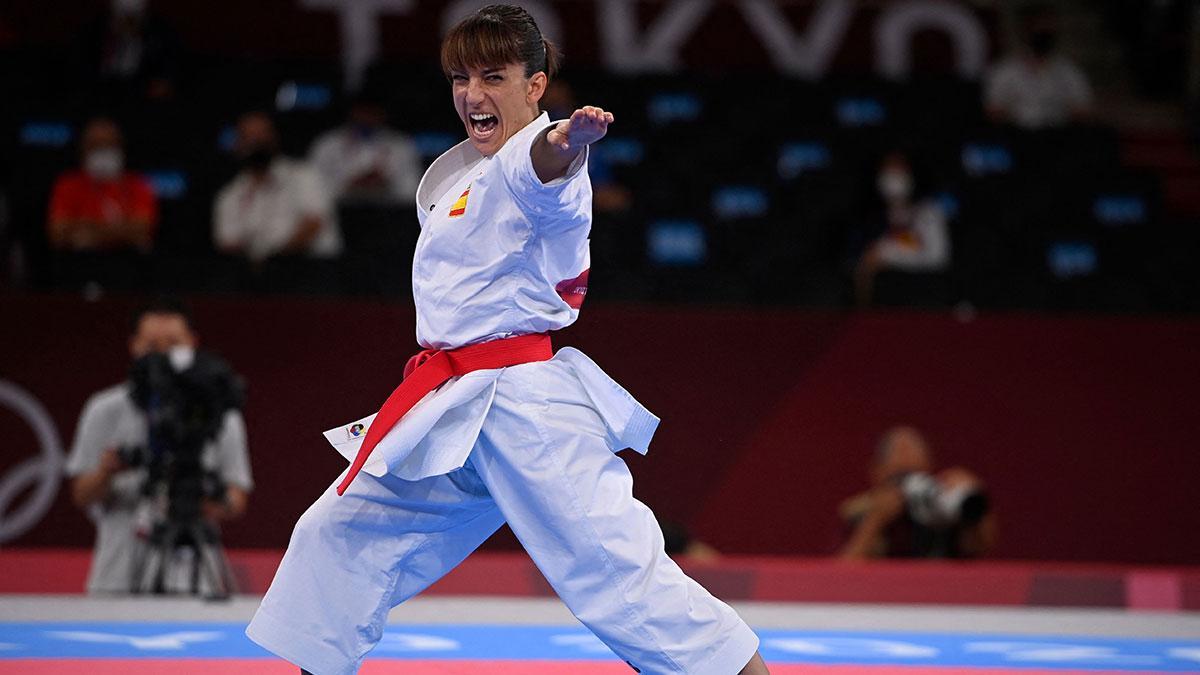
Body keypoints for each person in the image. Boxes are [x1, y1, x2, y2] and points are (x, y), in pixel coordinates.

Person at [246, 6, 768, 675]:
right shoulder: (465, 173)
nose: (472, 92)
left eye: (494, 75)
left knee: (619, 575)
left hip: (525, 407)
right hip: (452, 403)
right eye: (462, 77)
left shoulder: (538, 160)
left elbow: (543, 166)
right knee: (335, 533)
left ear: (535, 86)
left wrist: (568, 142)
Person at [64, 296, 252, 593]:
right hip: (118, 576)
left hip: (195, 580)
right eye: (152, 346)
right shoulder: (104, 409)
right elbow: (81, 495)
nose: (162, 356)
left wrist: (191, 496)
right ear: (134, 345)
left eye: (174, 344)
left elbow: (236, 500)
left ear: (192, 342)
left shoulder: (218, 412)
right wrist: (107, 471)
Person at [838, 426, 996, 560]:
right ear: (877, 473)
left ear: (929, 469)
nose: (908, 486)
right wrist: (874, 522)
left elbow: (981, 547)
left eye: (916, 475)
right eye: (900, 478)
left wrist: (971, 500)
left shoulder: (942, 506)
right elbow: (840, 575)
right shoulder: (858, 512)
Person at [213, 111, 342, 262]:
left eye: (262, 134)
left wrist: (275, 259)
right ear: (237, 143)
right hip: (254, 275)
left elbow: (314, 224)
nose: (256, 142)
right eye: (249, 135)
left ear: (274, 138)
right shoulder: (230, 194)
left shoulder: (304, 175)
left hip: (312, 269)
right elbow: (228, 243)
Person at [47, 117, 158, 252]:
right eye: (96, 145)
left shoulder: (138, 184)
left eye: (109, 144)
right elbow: (58, 233)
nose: (103, 150)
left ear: (120, 147)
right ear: (83, 149)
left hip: (129, 265)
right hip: (81, 265)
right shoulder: (68, 185)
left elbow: (143, 229)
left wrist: (87, 232)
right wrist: (123, 232)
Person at [853, 151, 950, 306]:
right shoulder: (871, 218)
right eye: (888, 171)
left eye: (898, 170)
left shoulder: (928, 212)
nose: (893, 177)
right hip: (886, 300)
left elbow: (937, 258)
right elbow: (863, 268)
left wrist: (887, 255)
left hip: (923, 295)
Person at [984, 4, 1093, 129]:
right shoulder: (1004, 70)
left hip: (1057, 134)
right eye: (1038, 29)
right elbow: (993, 111)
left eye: (1048, 29)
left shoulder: (1068, 71)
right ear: (1025, 31)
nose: (1044, 34)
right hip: (1017, 134)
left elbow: (1082, 109)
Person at [308, 90, 422, 206]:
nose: (366, 118)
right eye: (362, 112)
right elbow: (313, 190)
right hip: (340, 211)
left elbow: (411, 193)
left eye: (372, 113)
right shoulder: (327, 144)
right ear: (352, 112)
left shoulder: (401, 145)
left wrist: (386, 186)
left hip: (387, 214)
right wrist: (350, 187)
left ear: (381, 114)